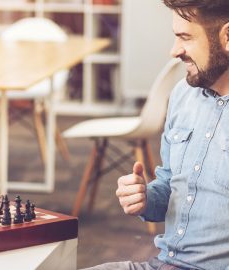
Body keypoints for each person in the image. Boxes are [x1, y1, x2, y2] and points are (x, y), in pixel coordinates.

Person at [85, 0, 229, 269]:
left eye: (185, 38)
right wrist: (145, 198)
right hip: (163, 264)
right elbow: (170, 185)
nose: (174, 51)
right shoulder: (182, 96)